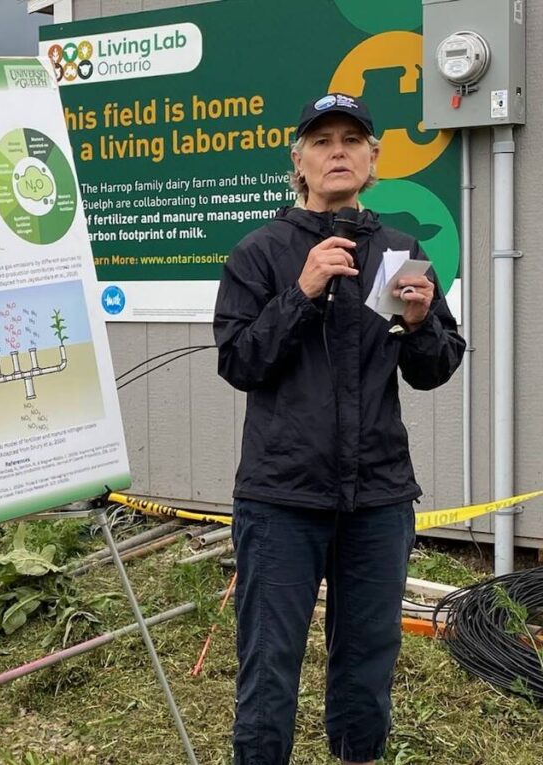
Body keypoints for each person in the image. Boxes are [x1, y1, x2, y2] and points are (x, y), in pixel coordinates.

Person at [213, 93, 465, 765]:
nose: (337, 152)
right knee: (269, 662)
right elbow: (239, 362)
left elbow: (436, 366)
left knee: (367, 660)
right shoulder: (259, 253)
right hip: (281, 499)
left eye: (352, 140)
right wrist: (299, 292)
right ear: (298, 162)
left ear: (374, 158)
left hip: (378, 497)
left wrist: (418, 324)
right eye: (322, 141)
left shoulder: (400, 251)